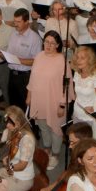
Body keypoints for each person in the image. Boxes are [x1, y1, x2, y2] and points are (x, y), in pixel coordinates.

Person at [26, 31, 73, 170]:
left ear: (58, 45)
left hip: (55, 101)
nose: (48, 45)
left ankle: (56, 154)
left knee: (55, 128)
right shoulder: (39, 56)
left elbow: (67, 85)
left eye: (52, 43)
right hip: (39, 99)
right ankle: (46, 147)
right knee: (42, 125)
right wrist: (29, 95)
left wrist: (62, 105)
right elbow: (32, 77)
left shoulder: (62, 61)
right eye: (46, 41)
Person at [0, 106, 37, 191]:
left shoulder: (27, 139)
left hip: (23, 179)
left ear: (18, 123)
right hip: (13, 171)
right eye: (6, 121)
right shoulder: (13, 131)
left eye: (10, 122)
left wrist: (8, 166)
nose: (7, 125)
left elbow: (22, 165)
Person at [6, 8, 42, 110]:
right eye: (15, 21)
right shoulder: (13, 34)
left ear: (26, 22)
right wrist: (3, 55)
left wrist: (19, 60)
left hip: (25, 77)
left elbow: (37, 61)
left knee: (25, 107)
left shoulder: (35, 38)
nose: (15, 24)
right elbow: (9, 53)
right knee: (13, 106)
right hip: (12, 75)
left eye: (19, 22)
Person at [72, 45, 96, 124]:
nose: (78, 60)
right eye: (77, 57)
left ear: (90, 60)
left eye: (82, 58)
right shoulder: (77, 73)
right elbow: (76, 95)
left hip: (90, 118)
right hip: (76, 114)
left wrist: (93, 108)